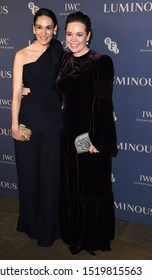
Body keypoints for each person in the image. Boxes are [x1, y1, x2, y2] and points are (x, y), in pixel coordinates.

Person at [56, 11, 118, 255]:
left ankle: (90, 236)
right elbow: (57, 91)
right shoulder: (63, 59)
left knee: (89, 185)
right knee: (72, 184)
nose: (73, 39)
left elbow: (103, 103)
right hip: (67, 134)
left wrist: (95, 138)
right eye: (69, 34)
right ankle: (72, 230)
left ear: (88, 36)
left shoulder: (100, 61)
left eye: (79, 34)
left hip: (88, 135)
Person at [11, 8, 63, 247]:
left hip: (54, 121)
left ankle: (50, 226)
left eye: (49, 28)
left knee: (51, 175)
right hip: (28, 120)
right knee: (29, 173)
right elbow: (15, 95)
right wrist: (14, 125)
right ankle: (31, 223)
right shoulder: (21, 55)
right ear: (33, 28)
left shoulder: (59, 52)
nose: (44, 33)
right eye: (39, 27)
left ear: (55, 30)